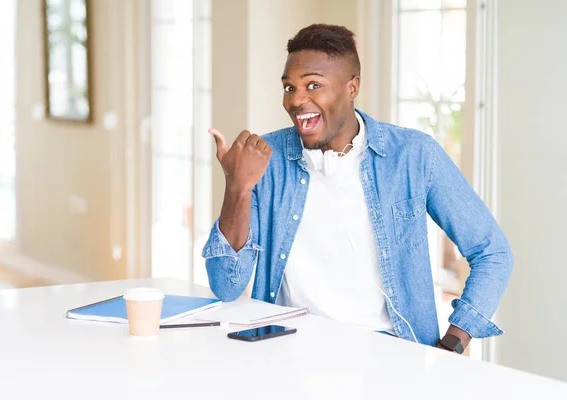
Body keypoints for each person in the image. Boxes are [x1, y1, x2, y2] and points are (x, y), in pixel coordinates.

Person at [202, 24, 512, 351]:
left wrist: (453, 343)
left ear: (352, 87)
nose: (296, 100)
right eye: (289, 88)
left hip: (391, 354)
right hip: (289, 351)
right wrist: (237, 187)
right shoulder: (267, 158)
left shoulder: (414, 155)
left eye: (313, 85)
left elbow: (493, 252)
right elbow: (226, 285)